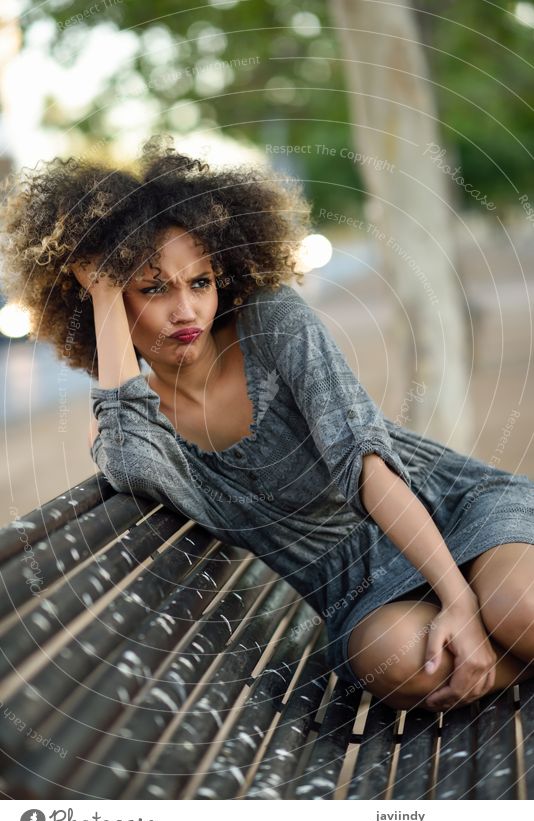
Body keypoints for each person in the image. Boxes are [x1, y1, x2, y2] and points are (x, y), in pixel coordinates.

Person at [2, 135, 534, 715]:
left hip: (445, 510)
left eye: (198, 282)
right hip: (355, 587)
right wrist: (104, 290)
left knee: (519, 607)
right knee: (408, 663)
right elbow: (130, 460)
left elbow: (365, 463)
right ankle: (501, 652)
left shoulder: (271, 322)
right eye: (153, 288)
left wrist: (458, 598)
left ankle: (496, 626)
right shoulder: (127, 428)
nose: (185, 310)